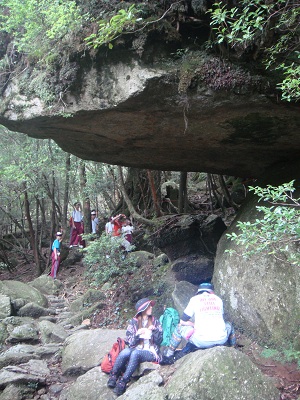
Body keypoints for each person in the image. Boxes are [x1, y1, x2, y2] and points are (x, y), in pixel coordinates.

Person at [162, 282, 236, 364]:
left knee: (179, 327)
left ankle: (169, 354)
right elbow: (220, 319)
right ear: (211, 292)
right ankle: (232, 348)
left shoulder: (195, 299)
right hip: (221, 339)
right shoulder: (218, 299)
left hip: (201, 340)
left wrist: (193, 325)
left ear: (199, 292)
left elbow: (182, 321)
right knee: (229, 325)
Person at [107, 298, 163, 396]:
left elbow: (159, 341)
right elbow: (130, 342)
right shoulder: (134, 322)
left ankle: (123, 382)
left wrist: (154, 331)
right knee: (125, 352)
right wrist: (137, 335)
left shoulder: (155, 321)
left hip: (151, 351)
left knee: (135, 354)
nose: (151, 307)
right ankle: (114, 375)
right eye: (149, 306)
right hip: (137, 347)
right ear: (144, 309)